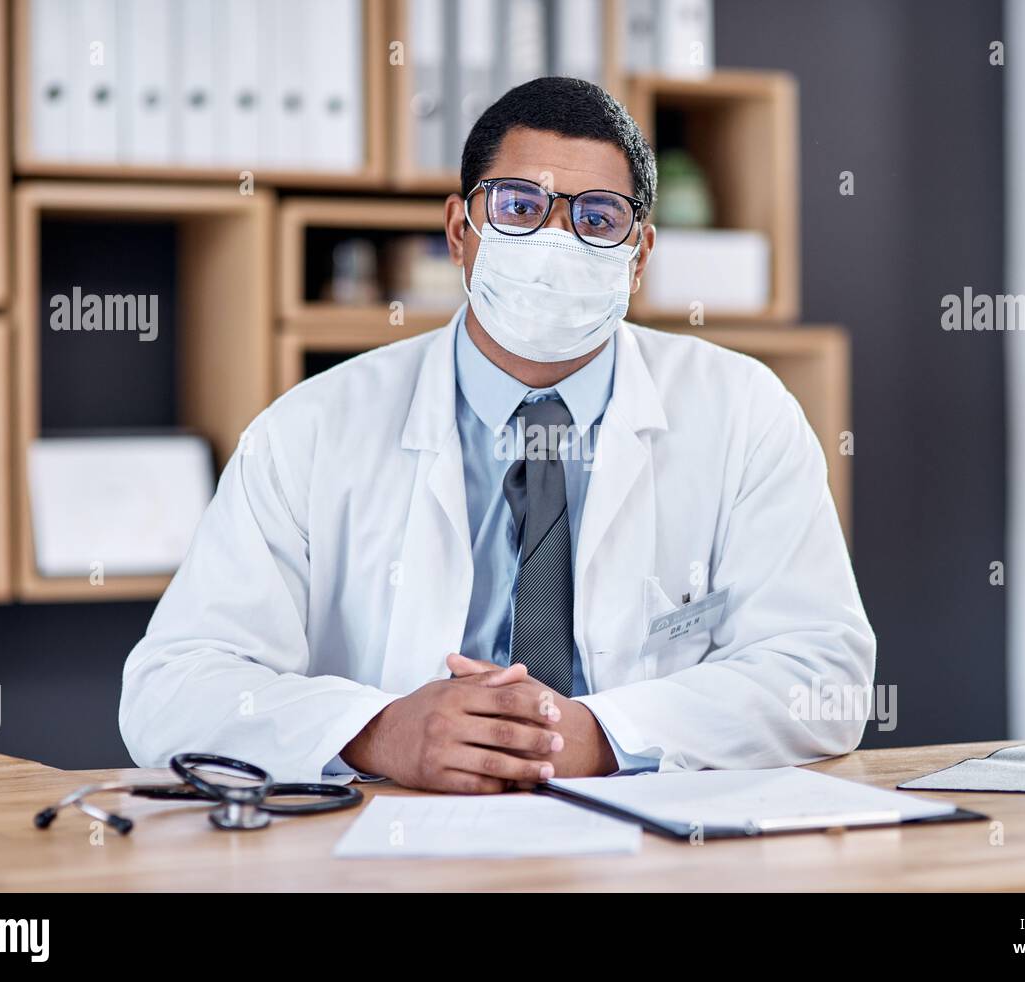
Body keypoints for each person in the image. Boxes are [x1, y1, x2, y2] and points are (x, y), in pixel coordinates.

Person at [120, 77, 875, 793]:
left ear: (638, 256)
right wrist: (376, 731)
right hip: (387, 845)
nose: (555, 240)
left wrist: (601, 736)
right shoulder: (308, 430)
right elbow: (171, 689)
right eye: (518, 207)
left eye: (597, 217)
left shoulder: (744, 412)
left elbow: (824, 676)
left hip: (652, 850)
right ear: (460, 231)